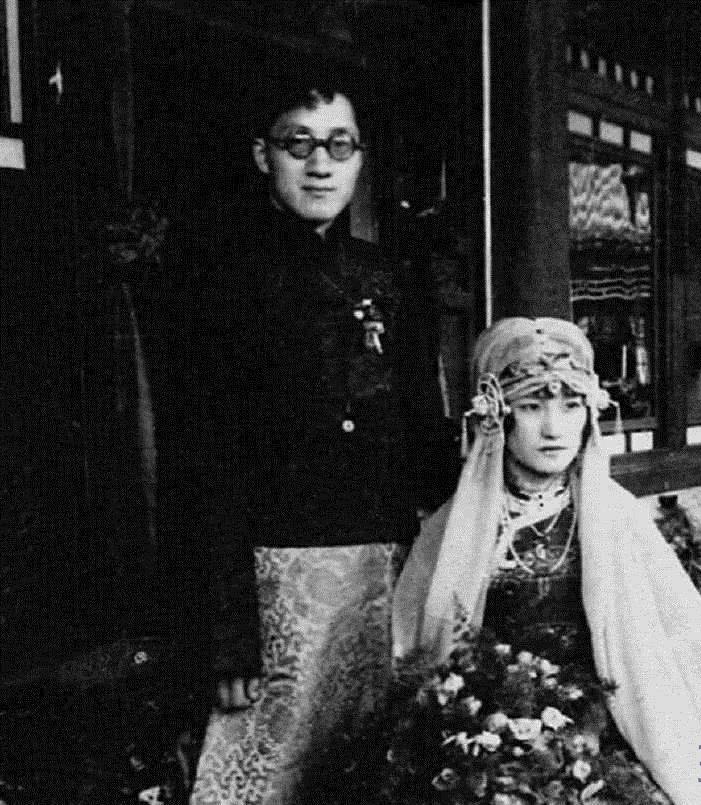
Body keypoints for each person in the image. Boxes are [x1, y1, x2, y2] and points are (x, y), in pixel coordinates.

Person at [182, 77, 453, 804]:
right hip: (275, 584)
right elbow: (204, 462)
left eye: (339, 145)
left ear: (360, 158)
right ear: (263, 155)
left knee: (383, 770)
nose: (320, 165)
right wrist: (229, 634)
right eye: (298, 144)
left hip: (387, 572)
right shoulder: (219, 279)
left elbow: (423, 428)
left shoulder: (388, 276)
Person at [393, 317, 701, 805]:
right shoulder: (454, 530)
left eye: (571, 406)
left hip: (608, 731)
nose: (554, 428)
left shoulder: (618, 518)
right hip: (494, 738)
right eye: (532, 406)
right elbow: (422, 655)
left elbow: (678, 649)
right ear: (497, 417)